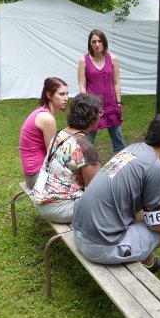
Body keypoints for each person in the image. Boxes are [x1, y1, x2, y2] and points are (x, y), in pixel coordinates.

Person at [72, 115, 160, 308]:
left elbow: (140, 194)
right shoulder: (156, 168)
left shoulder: (133, 150)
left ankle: (148, 262)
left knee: (142, 213)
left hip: (80, 233)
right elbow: (156, 223)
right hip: (100, 246)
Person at [32, 94, 102, 223]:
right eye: (100, 113)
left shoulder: (61, 133)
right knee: (110, 205)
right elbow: (95, 190)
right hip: (60, 208)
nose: (101, 116)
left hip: (42, 199)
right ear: (92, 117)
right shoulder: (85, 147)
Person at [78, 29, 124, 152]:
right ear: (90, 44)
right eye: (94, 41)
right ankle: (82, 165)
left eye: (100, 41)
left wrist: (118, 102)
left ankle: (122, 167)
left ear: (104, 42)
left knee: (118, 139)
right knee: (87, 141)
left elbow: (116, 82)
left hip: (111, 104)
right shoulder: (84, 60)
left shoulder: (113, 58)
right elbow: (82, 85)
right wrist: (86, 104)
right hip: (93, 106)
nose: (97, 44)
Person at [19, 77, 69, 188]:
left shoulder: (42, 112)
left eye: (67, 94)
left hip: (35, 173)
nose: (66, 98)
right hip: (37, 177)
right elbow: (52, 155)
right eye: (61, 94)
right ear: (49, 95)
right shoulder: (47, 119)